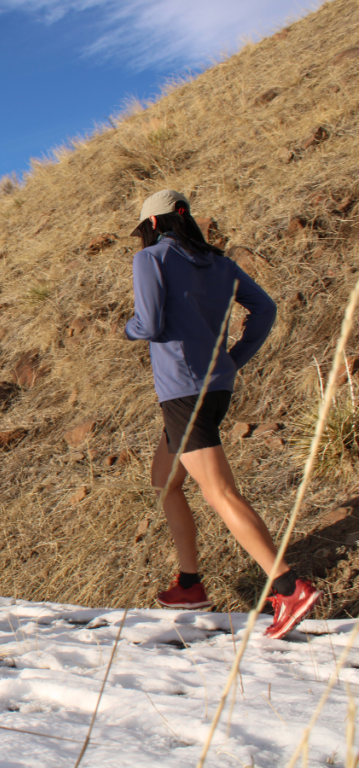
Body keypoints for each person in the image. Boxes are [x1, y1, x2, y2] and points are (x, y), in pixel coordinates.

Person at [125, 190, 320, 639]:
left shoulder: (151, 259)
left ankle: (288, 587)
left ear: (153, 225)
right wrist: (234, 357)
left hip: (183, 391)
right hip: (214, 386)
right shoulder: (219, 262)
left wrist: (128, 327)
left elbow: (149, 324)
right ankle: (190, 585)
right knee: (165, 481)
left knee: (219, 492)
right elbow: (265, 309)